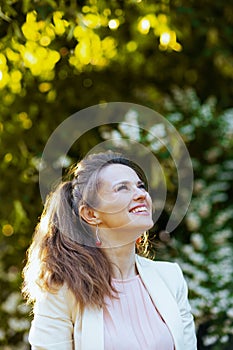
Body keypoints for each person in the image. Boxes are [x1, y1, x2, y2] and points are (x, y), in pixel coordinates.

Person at [22, 151, 197, 350]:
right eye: (122, 188)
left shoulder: (170, 278)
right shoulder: (62, 290)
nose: (141, 194)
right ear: (90, 214)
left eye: (140, 186)